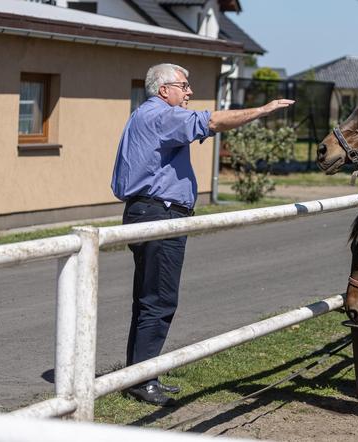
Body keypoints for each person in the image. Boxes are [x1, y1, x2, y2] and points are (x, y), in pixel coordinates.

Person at [111, 63, 294, 406]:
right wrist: (262, 110)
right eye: (184, 85)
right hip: (159, 214)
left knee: (149, 298)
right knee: (160, 300)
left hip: (147, 212)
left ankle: (140, 374)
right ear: (163, 90)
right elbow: (211, 121)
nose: (189, 92)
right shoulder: (162, 115)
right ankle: (140, 380)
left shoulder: (144, 115)